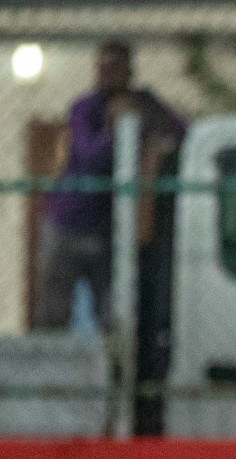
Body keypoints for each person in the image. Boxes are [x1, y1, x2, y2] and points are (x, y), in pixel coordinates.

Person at [33, 41, 184, 330]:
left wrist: (150, 123)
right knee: (54, 307)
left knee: (110, 307)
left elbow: (180, 129)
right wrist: (112, 132)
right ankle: (47, 364)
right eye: (101, 68)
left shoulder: (140, 104)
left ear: (128, 71)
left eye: (114, 68)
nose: (106, 74)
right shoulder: (84, 108)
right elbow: (88, 156)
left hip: (104, 228)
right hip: (68, 221)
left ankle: (111, 364)